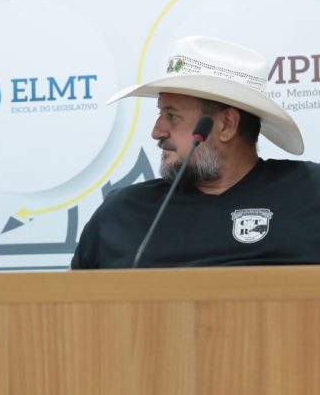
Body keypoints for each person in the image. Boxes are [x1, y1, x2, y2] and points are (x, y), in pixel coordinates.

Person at [72, 35, 320, 269]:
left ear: (226, 125)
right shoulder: (123, 212)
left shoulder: (310, 191)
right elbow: (72, 295)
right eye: (160, 114)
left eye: (172, 116)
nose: (157, 131)